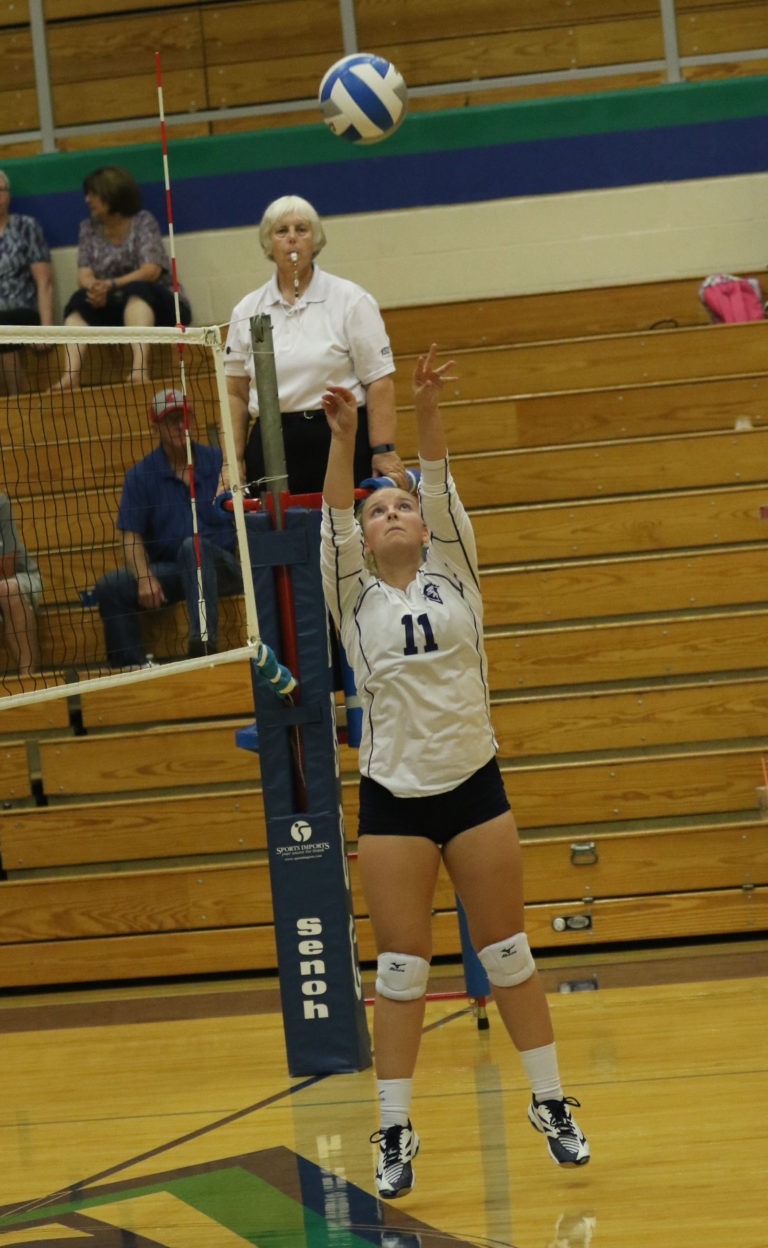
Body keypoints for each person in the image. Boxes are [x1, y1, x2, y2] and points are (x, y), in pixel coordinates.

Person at [320, 345, 589, 1199]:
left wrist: (425, 413)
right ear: (363, 539)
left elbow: (438, 484)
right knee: (401, 969)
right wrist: (347, 434)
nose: (395, 513)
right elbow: (331, 516)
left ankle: (550, 1102)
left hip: (474, 786)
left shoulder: (456, 572)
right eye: (380, 510)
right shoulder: (353, 593)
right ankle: (394, 1129)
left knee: (506, 951)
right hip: (394, 797)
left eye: (403, 507)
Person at [223, 194, 406, 496]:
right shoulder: (247, 309)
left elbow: (379, 381)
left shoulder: (351, 299)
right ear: (269, 244)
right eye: (282, 231)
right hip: (271, 443)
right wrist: (231, 460)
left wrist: (384, 449)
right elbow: (235, 394)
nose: (292, 239)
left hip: (340, 436)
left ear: (315, 239)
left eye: (301, 230)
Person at [94, 388, 241, 668]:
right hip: (174, 568)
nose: (179, 426)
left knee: (193, 546)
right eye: (170, 420)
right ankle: (131, 668)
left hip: (224, 567)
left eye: (184, 418)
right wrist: (143, 576)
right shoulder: (140, 475)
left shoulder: (219, 461)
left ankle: (203, 648)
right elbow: (130, 536)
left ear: (194, 421)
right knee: (110, 587)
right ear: (155, 428)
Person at [55, 166, 191, 390]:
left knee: (137, 288)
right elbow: (84, 274)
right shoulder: (88, 228)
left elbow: (151, 270)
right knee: (79, 299)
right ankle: (71, 375)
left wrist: (110, 285)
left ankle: (139, 369)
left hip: (159, 304)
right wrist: (95, 289)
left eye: (94, 194)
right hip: (114, 304)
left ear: (112, 195)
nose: (88, 200)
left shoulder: (142, 222)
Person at [0, 168, 54, 395]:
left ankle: (16, 401)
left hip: (20, 311)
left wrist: (47, 329)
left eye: (0, 190)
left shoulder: (26, 227)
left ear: (8, 195)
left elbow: (44, 282)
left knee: (5, 328)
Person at [0, 491, 42, 678]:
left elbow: (6, 569)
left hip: (20, 577)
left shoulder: (0, 503)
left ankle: (28, 680)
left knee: (7, 589)